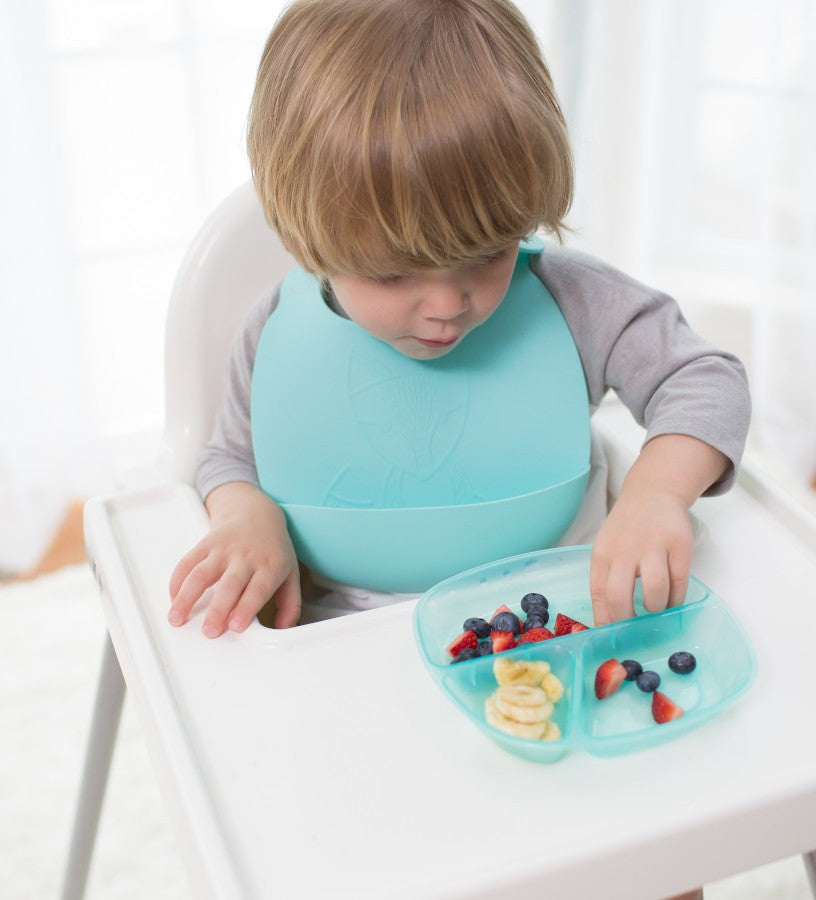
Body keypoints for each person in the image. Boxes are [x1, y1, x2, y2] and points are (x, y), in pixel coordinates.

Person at [170, 0, 749, 685]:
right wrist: (246, 517)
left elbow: (705, 380)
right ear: (310, 236)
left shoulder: (574, 302)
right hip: (341, 642)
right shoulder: (275, 333)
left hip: (555, 628)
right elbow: (231, 456)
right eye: (393, 271)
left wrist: (656, 496)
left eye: (487, 252)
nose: (447, 304)